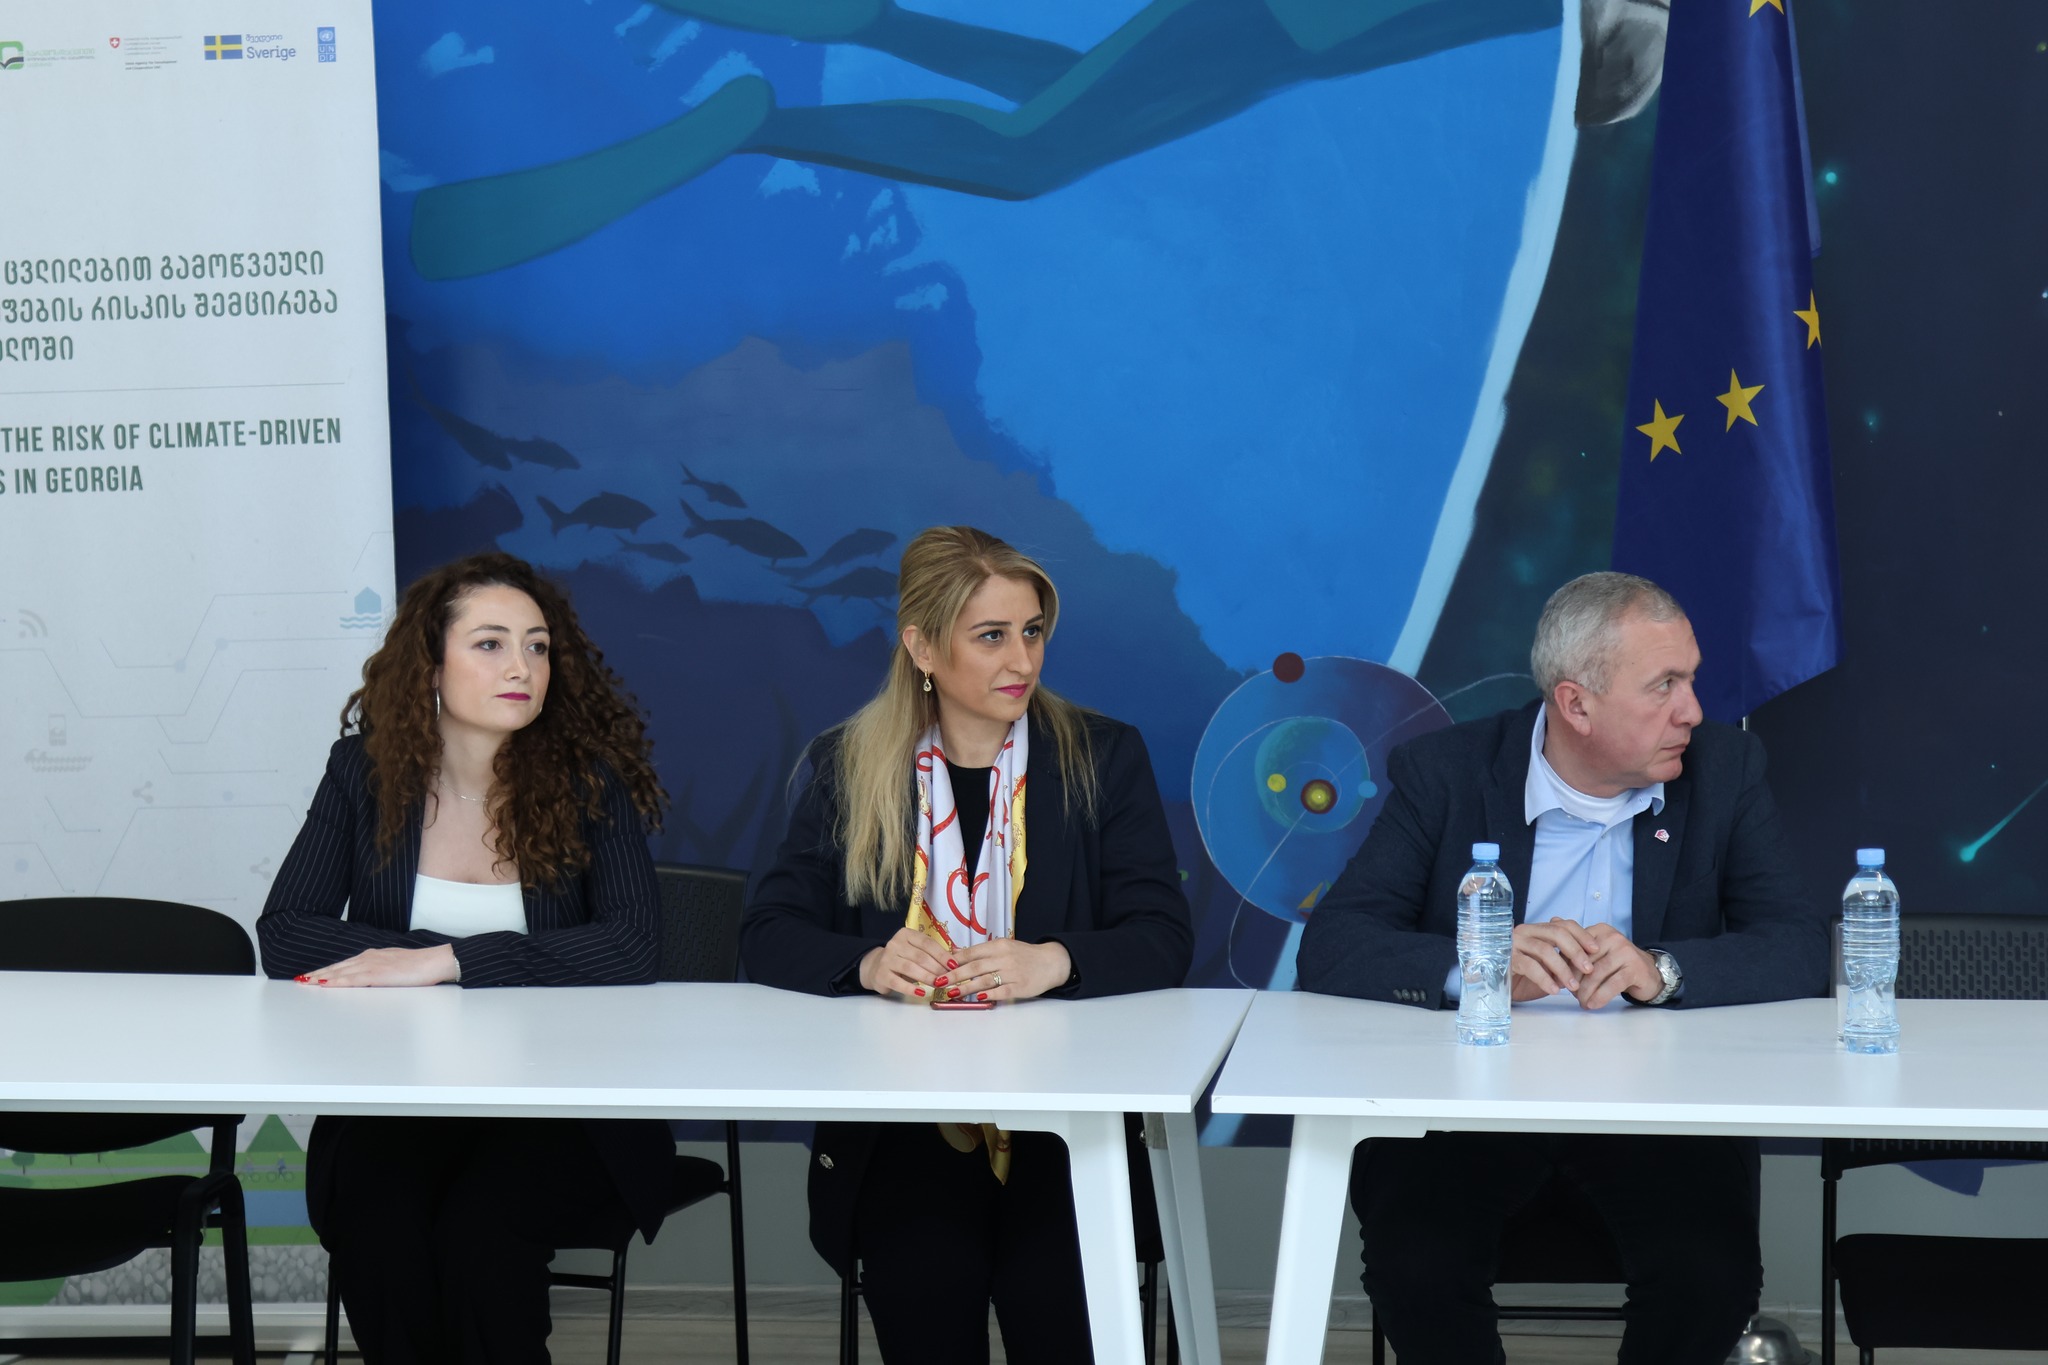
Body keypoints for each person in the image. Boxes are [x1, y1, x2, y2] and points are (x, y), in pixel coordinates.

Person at [1298, 570, 1826, 1365]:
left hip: (1656, 1112)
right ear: (1576, 704)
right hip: (1467, 1109)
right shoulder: (1446, 772)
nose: (1691, 710)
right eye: (1665, 685)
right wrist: (1478, 967)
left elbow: (1797, 943)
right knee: (1418, 1267)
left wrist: (1661, 970)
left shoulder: (1725, 770)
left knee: (1708, 1275)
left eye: (1691, 679)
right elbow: (1336, 942)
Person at [741, 524, 1193, 1364]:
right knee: (928, 1289)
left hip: (1069, 1120)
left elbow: (1163, 935)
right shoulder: (850, 763)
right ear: (921, 646)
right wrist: (868, 963)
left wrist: (1054, 960)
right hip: (905, 1125)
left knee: (1050, 1304)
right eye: (991, 636)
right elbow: (768, 931)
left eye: (1032, 631)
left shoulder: (1104, 755)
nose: (1022, 659)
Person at [257, 552, 673, 1365]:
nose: (522, 666)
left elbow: (632, 944)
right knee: (380, 1230)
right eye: (490, 643)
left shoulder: (589, 783)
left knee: (482, 1240)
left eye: (538, 646)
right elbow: (287, 932)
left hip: (562, 1105)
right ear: (430, 665)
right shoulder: (362, 775)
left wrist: (448, 961)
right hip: (400, 1098)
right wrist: (431, 957)